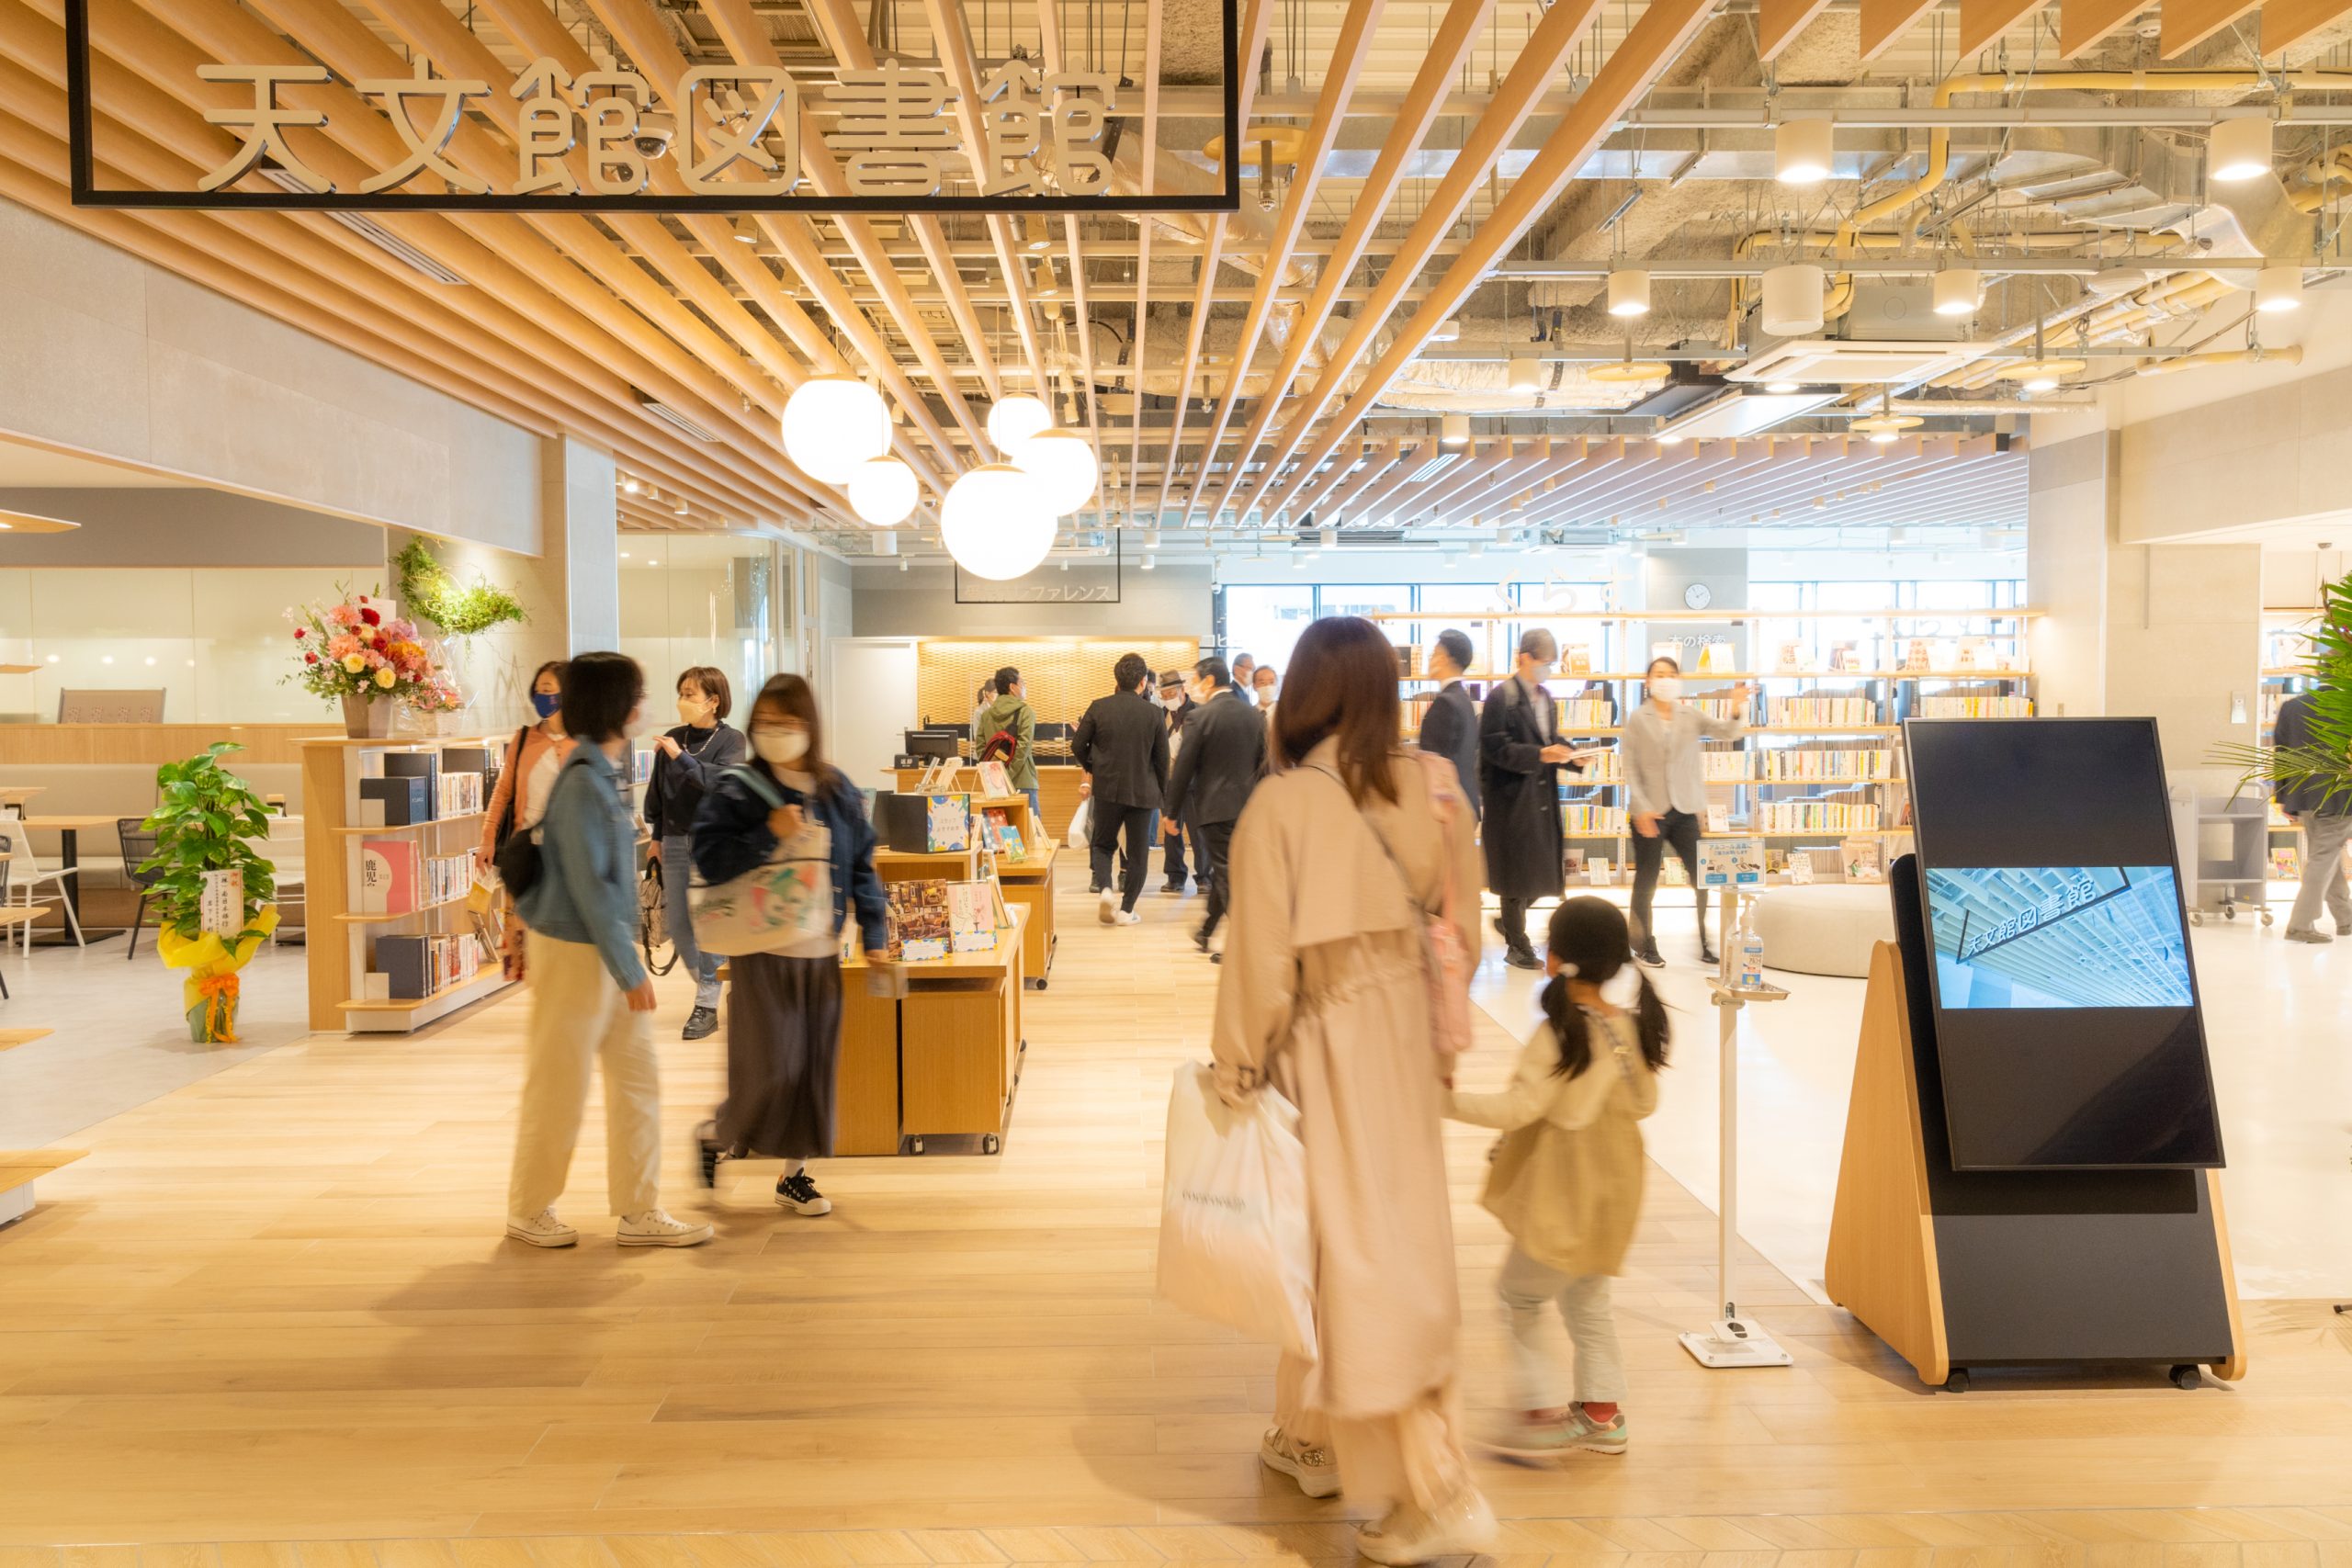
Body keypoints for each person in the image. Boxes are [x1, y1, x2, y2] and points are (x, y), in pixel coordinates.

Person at [1211, 615, 1491, 1563]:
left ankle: (1435, 1490)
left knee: (1355, 1253)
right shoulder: (1433, 787)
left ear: (1300, 694)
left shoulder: (1282, 805)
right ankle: (1310, 1438)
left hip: (1324, 1039)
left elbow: (1257, 965)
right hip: (1405, 1038)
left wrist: (1233, 1069)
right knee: (1364, 1238)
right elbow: (1471, 932)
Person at [504, 651, 711, 1251]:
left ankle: (639, 1207)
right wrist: (629, 970)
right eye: (639, 693)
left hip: (603, 949)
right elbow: (590, 885)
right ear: (618, 705)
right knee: (559, 1083)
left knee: (637, 1079)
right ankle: (529, 1207)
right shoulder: (583, 783)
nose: (648, 704)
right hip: (575, 952)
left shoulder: (600, 771)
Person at [1447, 897, 1666, 1461]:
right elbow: (1645, 1104)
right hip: (1616, 1190)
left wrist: (1442, 1101)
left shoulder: (1560, 1035)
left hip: (1565, 1191)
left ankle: (1541, 1413)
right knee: (1588, 1298)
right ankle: (1602, 1413)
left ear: (1554, 957)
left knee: (1517, 1294)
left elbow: (1519, 1109)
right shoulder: (1629, 1027)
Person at [690, 674, 893, 1216]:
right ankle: (717, 1134)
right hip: (763, 952)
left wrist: (875, 936)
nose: (776, 732)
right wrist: (767, 834)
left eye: (788, 722)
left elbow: (862, 866)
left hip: (822, 950)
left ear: (810, 726)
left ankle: (793, 1176)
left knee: (811, 1069)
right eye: (767, 723)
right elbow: (709, 858)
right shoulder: (738, 787)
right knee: (770, 1065)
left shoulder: (836, 789)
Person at [1624, 656, 1751, 967]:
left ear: (1679, 679)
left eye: (1671, 674)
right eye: (1659, 674)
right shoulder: (1638, 718)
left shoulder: (1689, 714)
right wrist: (1641, 809)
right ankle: (1643, 943)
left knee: (1702, 878)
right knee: (1647, 879)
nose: (1665, 679)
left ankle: (1705, 942)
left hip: (1684, 810)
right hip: (1650, 812)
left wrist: (1736, 707)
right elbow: (1630, 767)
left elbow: (1728, 733)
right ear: (1648, 682)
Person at [643, 666, 747, 1041]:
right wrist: (655, 836)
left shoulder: (731, 740)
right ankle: (716, 981)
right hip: (672, 840)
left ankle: (705, 1004)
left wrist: (682, 759)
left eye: (690, 694)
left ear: (713, 700)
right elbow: (659, 793)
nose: (683, 701)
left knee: (711, 925)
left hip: (712, 843)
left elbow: (723, 784)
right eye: (681, 693)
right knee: (682, 929)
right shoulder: (673, 737)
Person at [1480, 628, 1585, 971]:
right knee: (1515, 873)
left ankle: (1511, 922)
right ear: (1525, 658)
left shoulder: (1546, 699)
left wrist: (1572, 756)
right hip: (1510, 799)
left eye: (1552, 664)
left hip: (1540, 797)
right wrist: (1541, 754)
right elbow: (1495, 748)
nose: (1548, 670)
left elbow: (1551, 739)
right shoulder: (1502, 696)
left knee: (1540, 870)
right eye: (1545, 662)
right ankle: (1517, 944)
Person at [1164, 655, 1265, 959]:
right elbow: (1263, 761)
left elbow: (1183, 767)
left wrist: (1171, 811)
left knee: (1226, 873)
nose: (1193, 686)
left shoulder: (1201, 717)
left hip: (1215, 809)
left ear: (1209, 681)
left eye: (1195, 680)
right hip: (1249, 808)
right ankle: (1207, 930)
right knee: (1229, 872)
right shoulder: (1251, 715)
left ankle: (1246, 946)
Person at [481, 660, 573, 982]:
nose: (541, 697)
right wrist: (488, 837)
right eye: (537, 691)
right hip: (527, 853)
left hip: (568, 854)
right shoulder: (522, 739)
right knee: (530, 938)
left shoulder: (584, 742)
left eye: (548, 690)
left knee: (563, 939)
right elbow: (502, 792)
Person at [1073, 652, 1170, 926]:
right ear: (1143, 682)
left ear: (1117, 678)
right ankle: (1127, 910)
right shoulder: (1153, 713)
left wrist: (1094, 767)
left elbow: (1078, 746)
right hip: (1143, 793)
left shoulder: (1098, 707)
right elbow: (1162, 760)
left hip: (1108, 789)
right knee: (1138, 853)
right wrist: (1162, 796)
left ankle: (1105, 889)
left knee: (1103, 845)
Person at [2274, 684, 2352, 942]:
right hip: (2341, 798)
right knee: (2323, 858)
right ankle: (2300, 925)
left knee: (2327, 857)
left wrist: (2284, 797)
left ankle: (2346, 920)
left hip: (2305, 796)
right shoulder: (2346, 708)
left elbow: (2281, 755)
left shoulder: (2292, 707)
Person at [1416, 628, 1481, 817]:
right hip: (1466, 801)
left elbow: (1435, 762)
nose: (1431, 660)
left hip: (1449, 809)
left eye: (1434, 654)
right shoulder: (1463, 699)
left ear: (1444, 658)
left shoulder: (1445, 702)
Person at [977, 665, 1040, 822]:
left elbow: (980, 749)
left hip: (995, 785)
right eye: (1022, 683)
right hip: (1023, 780)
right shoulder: (1026, 712)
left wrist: (996, 776)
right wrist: (1009, 775)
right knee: (1029, 834)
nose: (1024, 688)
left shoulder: (986, 715)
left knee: (998, 835)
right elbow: (1023, 748)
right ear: (1012, 687)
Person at [1158, 669, 1198, 893]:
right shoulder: (1159, 715)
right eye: (1163, 694)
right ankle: (1175, 876)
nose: (1167, 698)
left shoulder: (1198, 712)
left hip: (1194, 783)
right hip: (1168, 783)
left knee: (1197, 831)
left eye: (1171, 693)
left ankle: (1204, 876)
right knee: (1171, 832)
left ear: (1183, 690)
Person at [968, 679, 996, 748]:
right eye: (995, 692)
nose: (998, 695)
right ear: (987, 693)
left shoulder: (1000, 709)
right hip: (984, 752)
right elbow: (978, 737)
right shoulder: (979, 711)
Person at [1253, 663, 1281, 728]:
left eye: (1271, 682)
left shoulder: (1284, 711)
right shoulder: (1249, 714)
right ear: (1254, 686)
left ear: (1277, 684)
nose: (1267, 686)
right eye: (1262, 683)